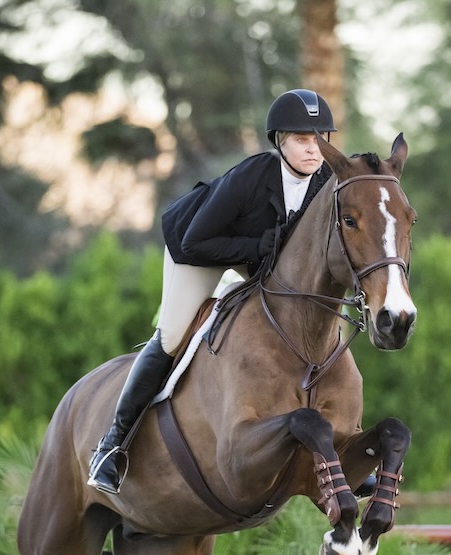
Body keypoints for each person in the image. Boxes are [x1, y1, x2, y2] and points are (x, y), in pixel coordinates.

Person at [87, 88, 337, 494]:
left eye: (320, 140)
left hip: (256, 255)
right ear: (280, 142)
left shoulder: (325, 181)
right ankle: (112, 446)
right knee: (171, 336)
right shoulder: (251, 177)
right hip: (197, 248)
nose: (314, 150)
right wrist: (255, 248)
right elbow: (196, 242)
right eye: (302, 140)